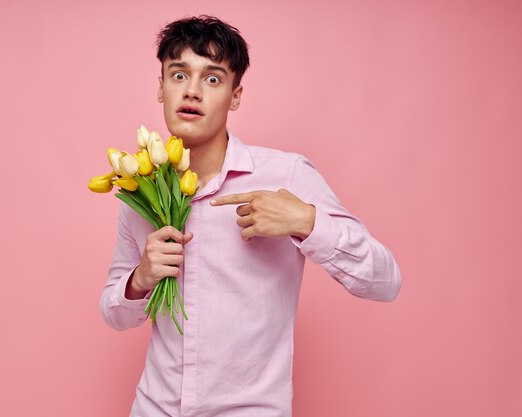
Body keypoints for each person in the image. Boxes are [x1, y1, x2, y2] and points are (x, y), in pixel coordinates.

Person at [100, 15, 401, 417]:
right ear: (161, 87)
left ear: (235, 95)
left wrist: (307, 222)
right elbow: (115, 314)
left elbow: (385, 282)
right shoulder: (140, 190)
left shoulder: (287, 175)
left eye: (212, 79)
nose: (191, 91)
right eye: (178, 75)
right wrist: (140, 279)